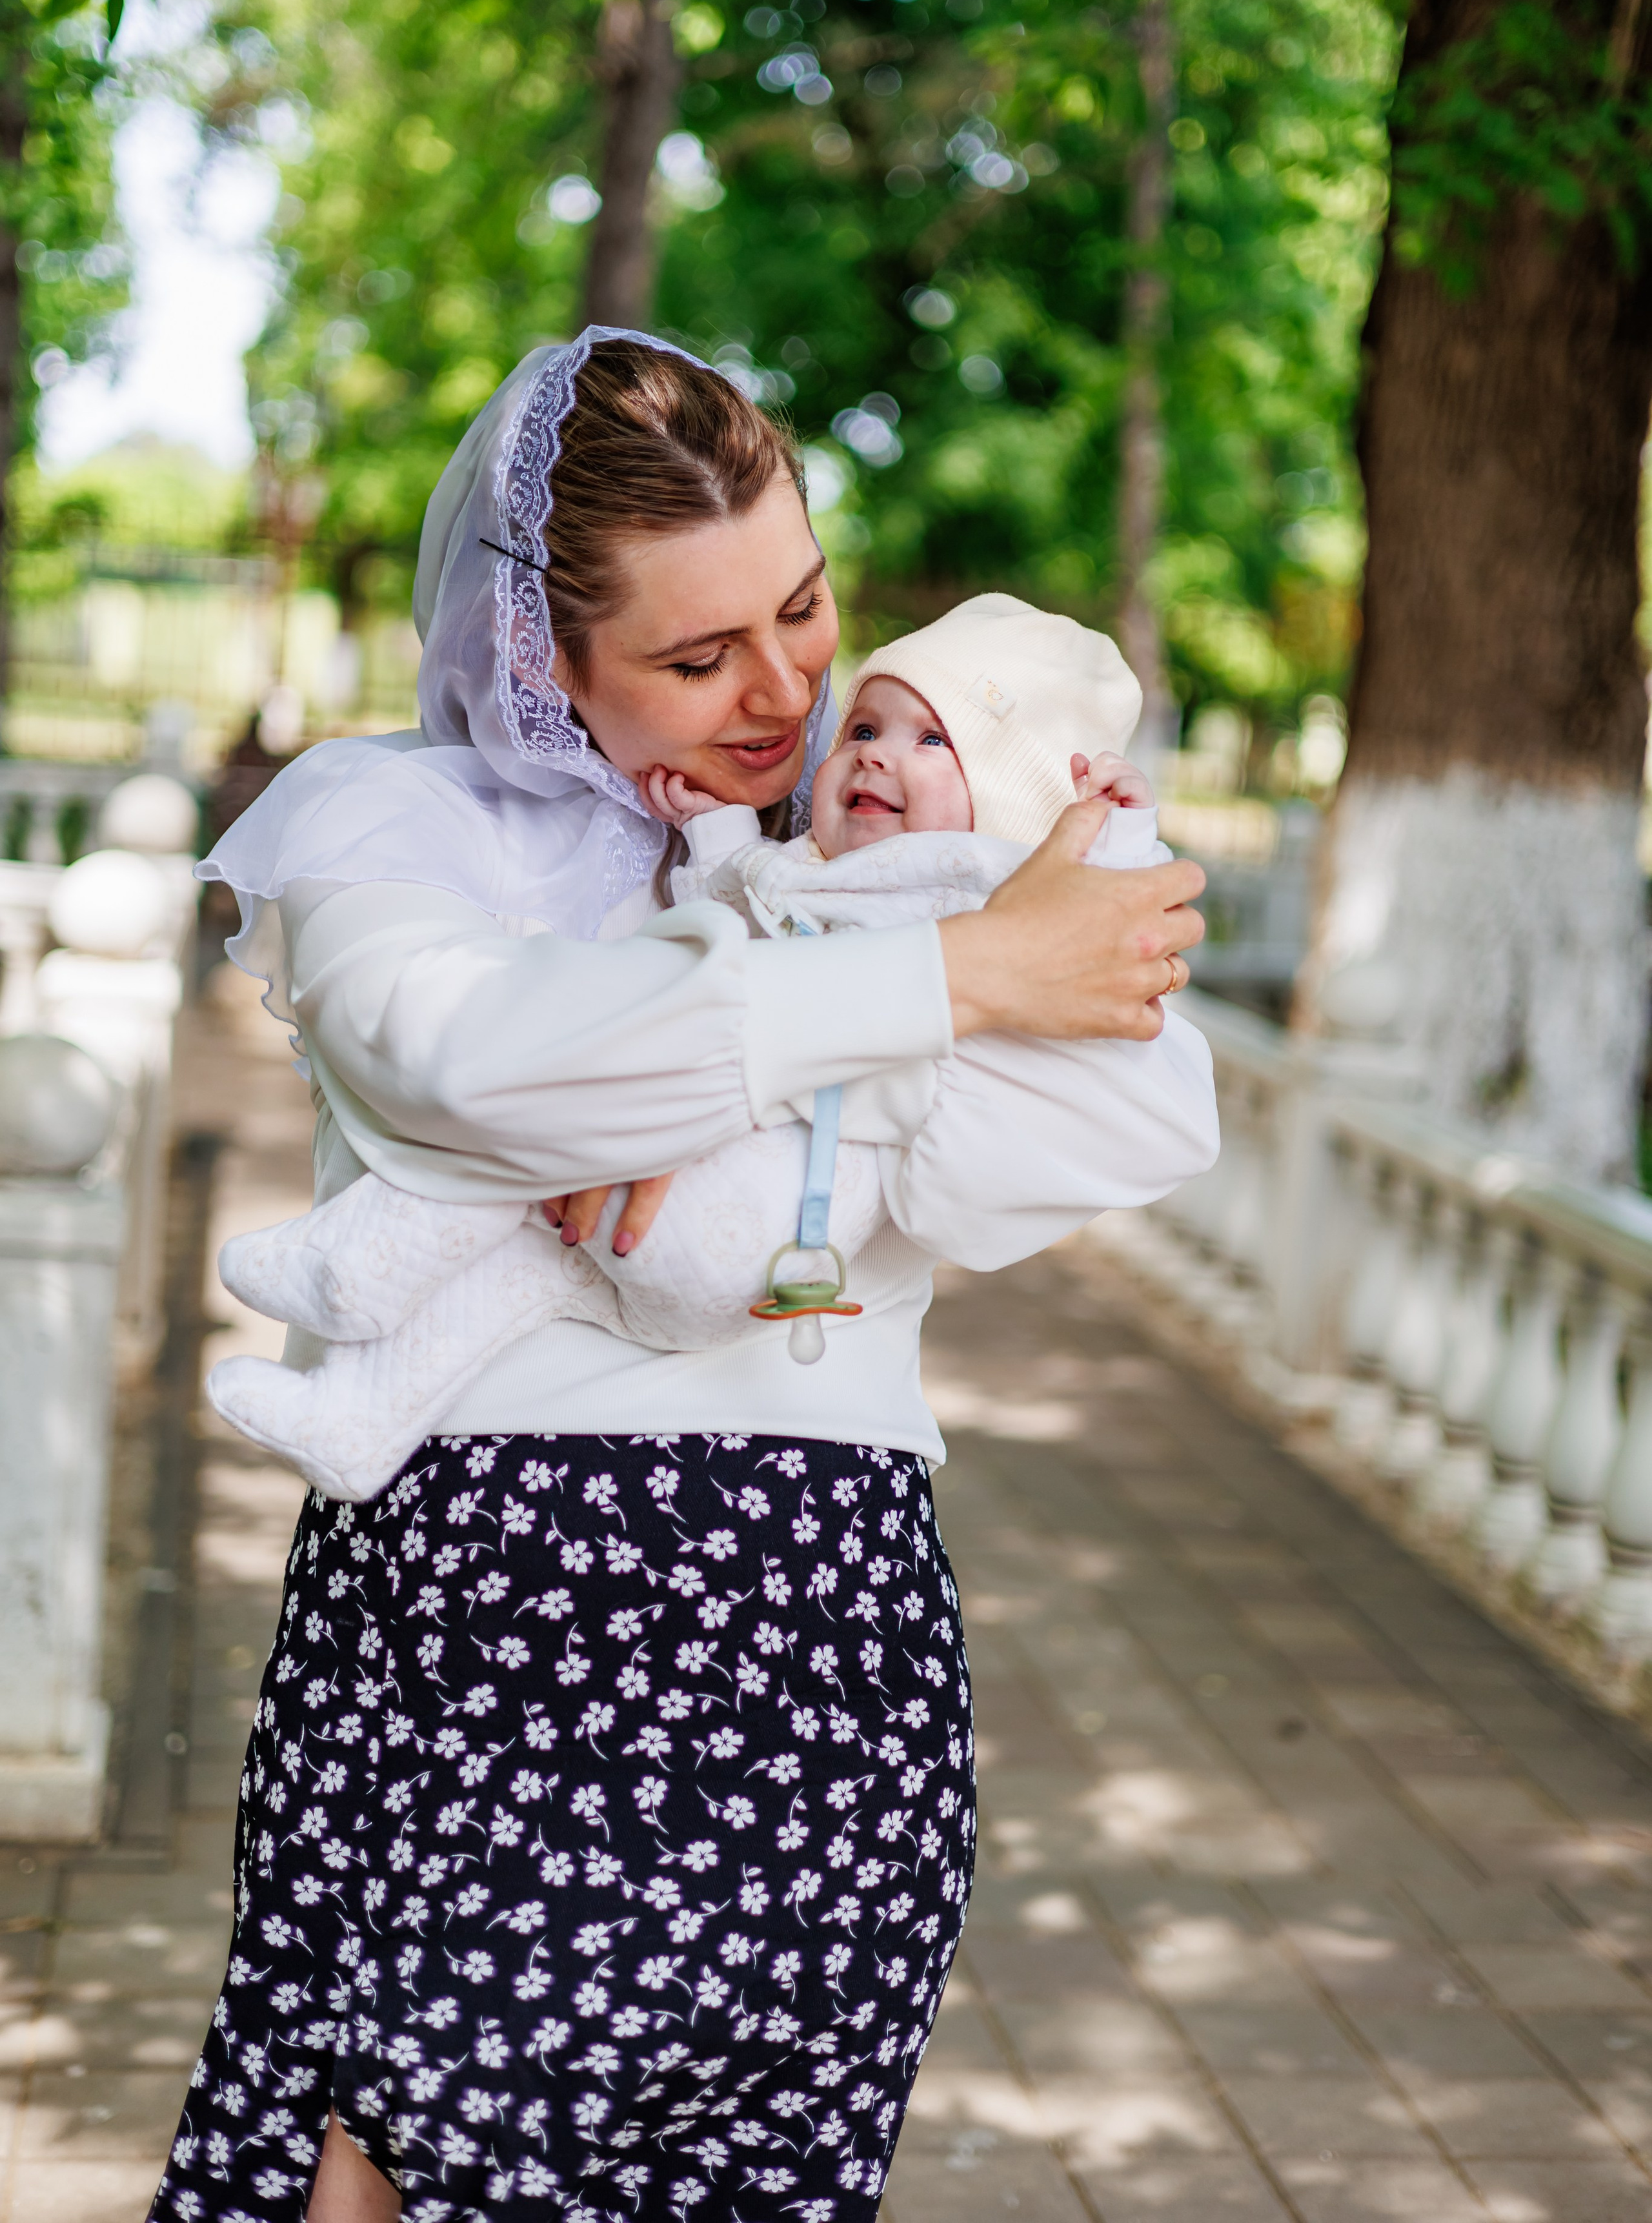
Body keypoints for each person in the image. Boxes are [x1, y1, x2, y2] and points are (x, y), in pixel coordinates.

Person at [152, 329, 1212, 2223]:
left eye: (800, 610)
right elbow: (470, 1066)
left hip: (826, 1647)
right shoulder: (395, 825)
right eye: (697, 655)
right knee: (378, 2162)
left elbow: (1135, 1109)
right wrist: (948, 994)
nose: (785, 689)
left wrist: (749, 1078)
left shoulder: (888, 804)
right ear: (541, 660)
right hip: (498, 1623)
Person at [205, 592, 1198, 1507]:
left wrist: (1116, 837)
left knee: (529, 1170)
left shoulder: (980, 879)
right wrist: (730, 854)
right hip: (660, 1315)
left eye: (931, 740)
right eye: (863, 728)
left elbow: (1120, 997)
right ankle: (357, 1412)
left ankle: (351, 1263)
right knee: (526, 1249)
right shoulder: (401, 813)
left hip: (772, 1296)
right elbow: (725, 922)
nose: (869, 753)